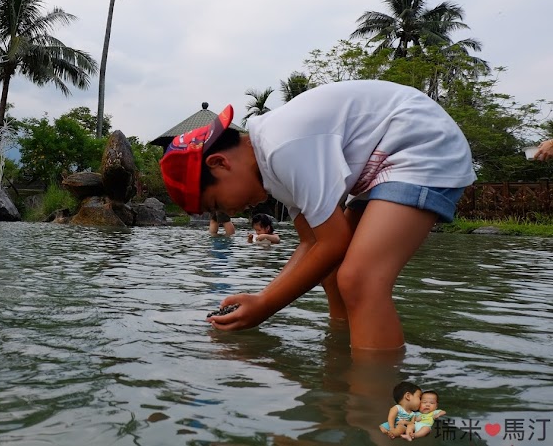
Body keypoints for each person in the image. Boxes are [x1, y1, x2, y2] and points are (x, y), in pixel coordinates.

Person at [159, 80, 476, 351]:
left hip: (422, 144)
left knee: (359, 279)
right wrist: (261, 296)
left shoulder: (282, 146)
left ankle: (373, 400)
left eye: (216, 203)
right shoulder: (271, 169)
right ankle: (344, 355)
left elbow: (333, 242)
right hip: (381, 163)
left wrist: (266, 306)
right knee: (332, 273)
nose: (226, 213)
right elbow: (313, 241)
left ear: (219, 164)